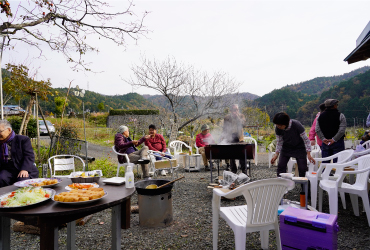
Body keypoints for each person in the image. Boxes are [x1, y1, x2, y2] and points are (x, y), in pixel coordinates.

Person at [270, 112, 315, 177]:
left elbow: (306, 140)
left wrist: (308, 154)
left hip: (299, 148)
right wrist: (276, 155)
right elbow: (279, 141)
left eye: (280, 125)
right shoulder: (278, 128)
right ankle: (281, 185)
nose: (278, 127)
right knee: (281, 167)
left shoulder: (297, 125)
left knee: (303, 169)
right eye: (277, 125)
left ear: (286, 123)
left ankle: (304, 186)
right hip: (286, 148)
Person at [0, 120, 39, 187]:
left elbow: (29, 156)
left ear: (9, 130)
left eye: (0, 131)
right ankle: (5, 196)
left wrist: (25, 169)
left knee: (23, 181)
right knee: (1, 178)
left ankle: (24, 196)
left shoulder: (22, 140)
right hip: (8, 170)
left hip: (23, 167)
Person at [222, 104, 247, 174]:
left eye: (237, 110)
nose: (235, 111)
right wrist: (223, 136)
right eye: (234, 110)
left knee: (242, 154)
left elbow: (244, 125)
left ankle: (244, 171)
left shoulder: (241, 116)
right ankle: (233, 171)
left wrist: (238, 118)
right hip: (230, 137)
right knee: (231, 155)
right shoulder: (227, 117)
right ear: (231, 110)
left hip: (239, 137)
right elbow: (225, 128)